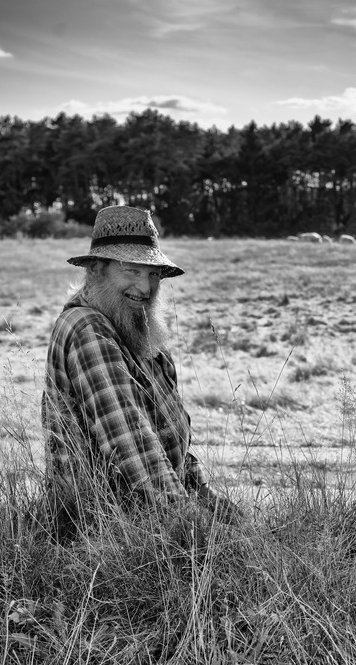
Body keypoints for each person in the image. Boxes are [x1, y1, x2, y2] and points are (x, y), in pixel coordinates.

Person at [41, 205, 236, 540]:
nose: (145, 288)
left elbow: (168, 436)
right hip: (109, 531)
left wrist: (207, 498)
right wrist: (195, 529)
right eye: (131, 271)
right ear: (96, 269)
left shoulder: (137, 330)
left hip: (151, 515)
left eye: (153, 275)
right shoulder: (89, 330)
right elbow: (133, 446)